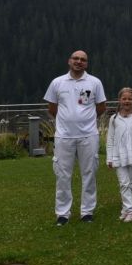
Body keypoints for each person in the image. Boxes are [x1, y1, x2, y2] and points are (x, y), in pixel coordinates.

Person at [44, 50, 107, 226]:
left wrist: (85, 120)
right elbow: (52, 108)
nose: (79, 62)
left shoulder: (95, 82)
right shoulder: (57, 82)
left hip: (88, 135)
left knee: (89, 173)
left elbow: (101, 107)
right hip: (64, 136)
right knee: (63, 175)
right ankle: (62, 213)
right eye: (76, 58)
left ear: (86, 64)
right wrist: (67, 121)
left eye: (83, 60)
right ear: (69, 61)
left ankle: (87, 211)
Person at [106, 87, 132, 223]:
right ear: (119, 100)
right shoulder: (114, 119)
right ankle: (131, 210)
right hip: (118, 156)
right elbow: (110, 139)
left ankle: (125, 209)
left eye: (130, 99)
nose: (127, 101)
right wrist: (109, 158)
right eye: (124, 99)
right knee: (124, 183)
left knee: (131, 184)